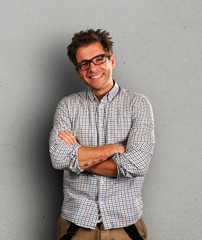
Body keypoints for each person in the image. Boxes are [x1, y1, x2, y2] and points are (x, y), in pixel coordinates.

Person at [49, 29, 155, 240]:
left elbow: (137, 165)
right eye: (84, 64)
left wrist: (78, 154)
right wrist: (114, 149)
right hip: (75, 226)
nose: (93, 68)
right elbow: (58, 158)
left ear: (112, 60)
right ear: (78, 71)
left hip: (125, 226)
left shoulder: (138, 104)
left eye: (99, 59)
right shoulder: (67, 106)